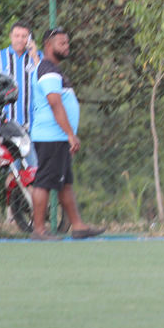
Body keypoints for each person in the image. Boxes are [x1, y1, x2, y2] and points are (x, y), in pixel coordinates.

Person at [29, 27, 105, 241]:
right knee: (43, 182)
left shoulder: (52, 69)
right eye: (62, 43)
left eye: (67, 43)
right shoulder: (48, 69)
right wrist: (71, 134)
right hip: (51, 136)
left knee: (65, 183)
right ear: (48, 45)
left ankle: (78, 226)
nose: (66, 47)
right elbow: (55, 103)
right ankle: (39, 230)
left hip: (58, 137)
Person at [0, 21, 41, 160]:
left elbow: (44, 82)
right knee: (12, 168)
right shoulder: (0, 58)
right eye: (17, 36)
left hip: (33, 126)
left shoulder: (37, 56)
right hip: (7, 126)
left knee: (34, 168)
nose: (20, 39)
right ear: (10, 36)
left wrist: (35, 57)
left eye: (24, 36)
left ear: (30, 38)